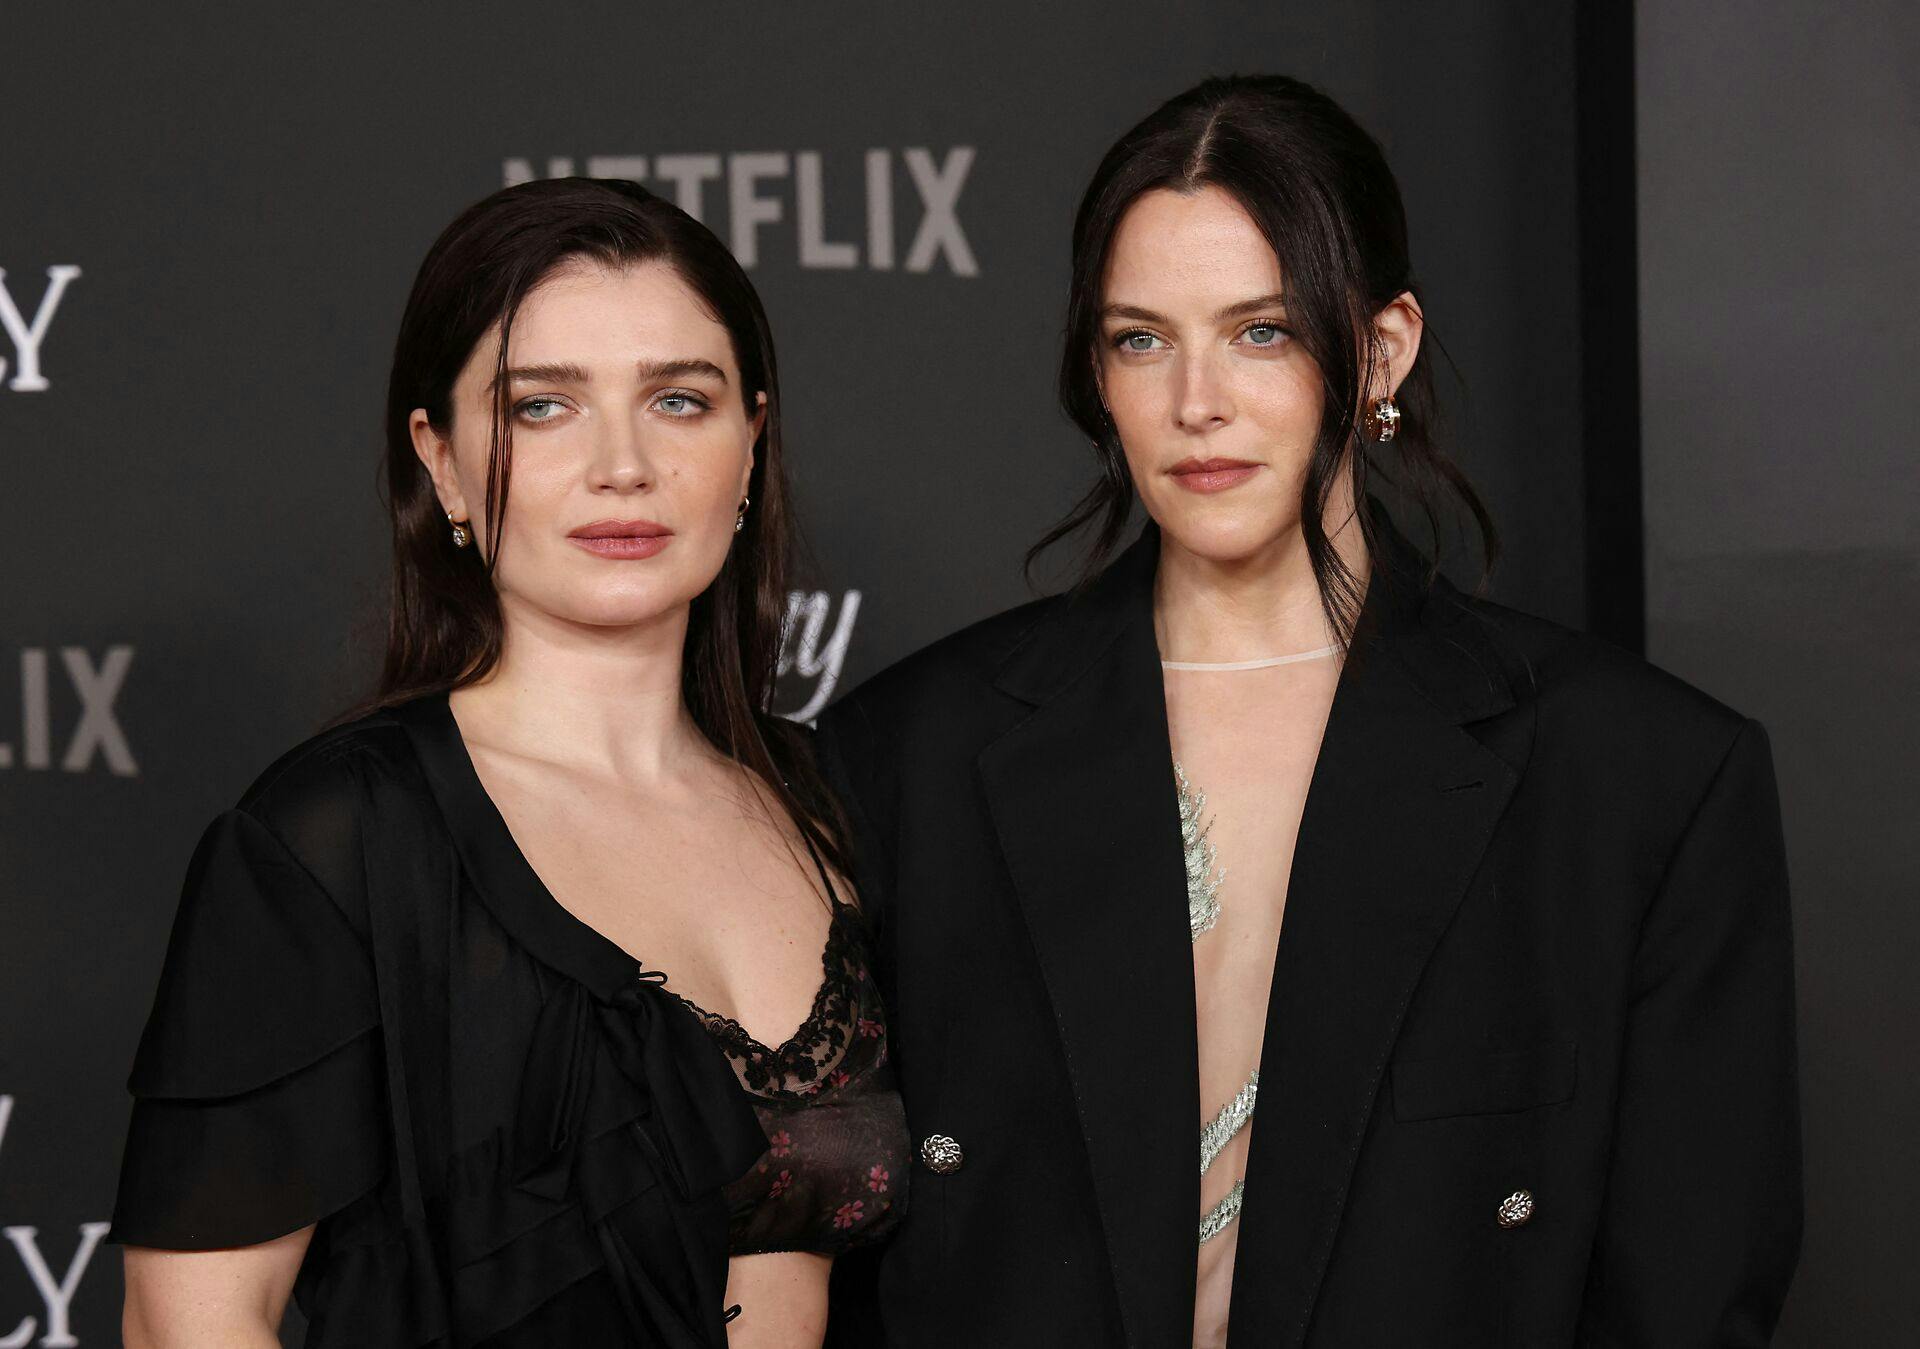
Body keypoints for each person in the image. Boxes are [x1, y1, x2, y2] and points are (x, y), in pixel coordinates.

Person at [817, 75, 1801, 1347]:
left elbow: (1689, 1285)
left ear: (1382, 348)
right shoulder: (910, 753)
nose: (1196, 402)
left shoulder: (1643, 777)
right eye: (1140, 338)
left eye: (1263, 331)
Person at [110, 178, 907, 1348]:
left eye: (680, 399)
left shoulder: (834, 805)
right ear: (438, 460)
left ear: (751, 443)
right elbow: (194, 1319)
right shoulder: (335, 839)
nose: (623, 464)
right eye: (544, 408)